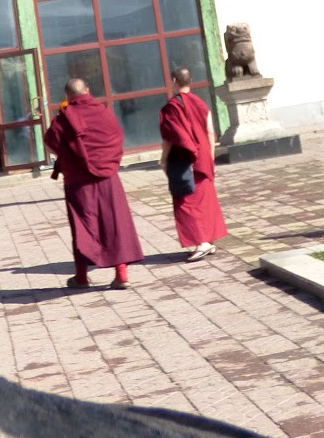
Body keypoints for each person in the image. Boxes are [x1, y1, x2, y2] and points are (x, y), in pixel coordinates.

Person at [46, 78, 143, 290]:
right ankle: (122, 274)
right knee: (115, 222)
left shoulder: (64, 118)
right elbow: (117, 137)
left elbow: (51, 143)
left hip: (79, 182)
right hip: (108, 177)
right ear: (88, 91)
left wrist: (69, 158)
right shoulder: (103, 112)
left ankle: (81, 277)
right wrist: (108, 160)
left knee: (83, 226)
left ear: (68, 96)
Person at [159, 68, 227, 261]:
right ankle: (209, 241)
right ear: (191, 80)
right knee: (205, 200)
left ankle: (202, 243)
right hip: (203, 158)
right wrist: (210, 157)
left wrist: (163, 159)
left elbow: (170, 137)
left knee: (187, 203)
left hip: (184, 160)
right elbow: (210, 132)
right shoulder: (200, 103)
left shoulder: (172, 107)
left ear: (174, 80)